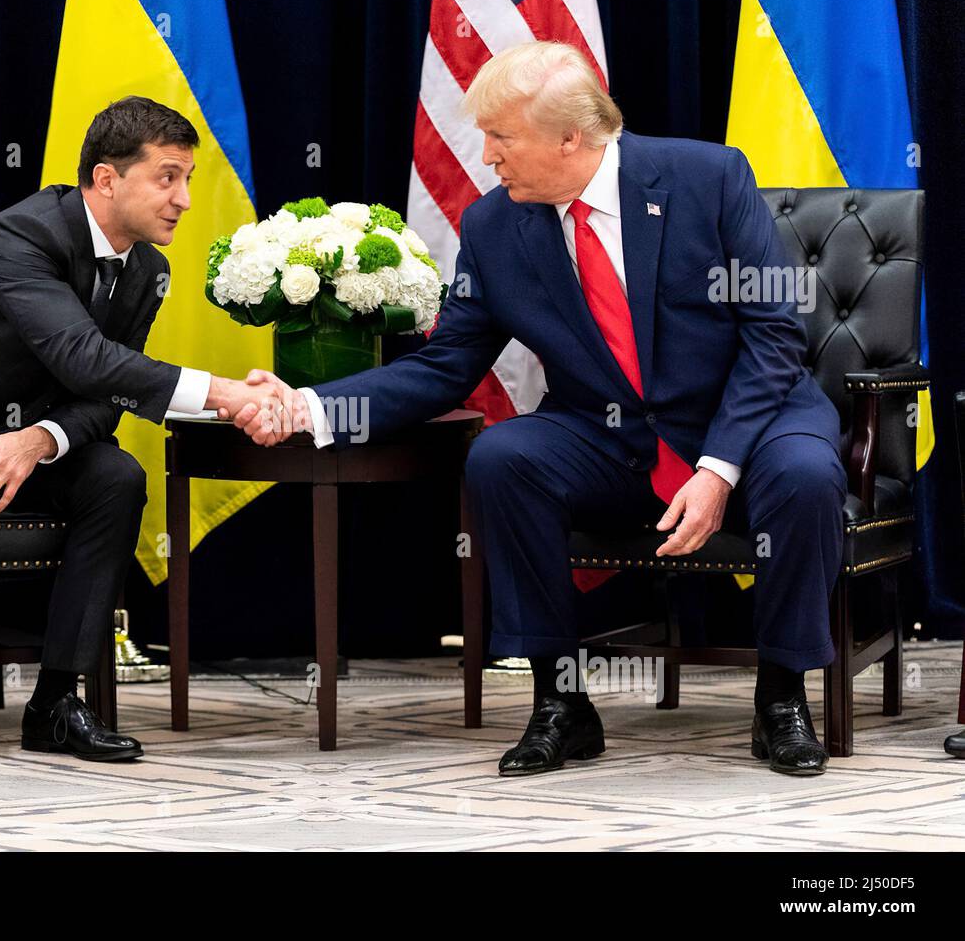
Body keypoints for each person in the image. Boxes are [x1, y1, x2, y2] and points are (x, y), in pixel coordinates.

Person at [237, 42, 845, 777]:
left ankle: (781, 695)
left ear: (570, 138)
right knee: (503, 457)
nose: (486, 155)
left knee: (807, 473)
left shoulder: (710, 177)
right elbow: (444, 366)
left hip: (750, 420)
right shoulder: (496, 226)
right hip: (609, 438)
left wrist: (718, 468)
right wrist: (306, 406)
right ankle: (561, 702)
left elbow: (773, 333)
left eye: (501, 137)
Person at [0, 96, 284, 768]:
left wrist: (39, 439)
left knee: (117, 478)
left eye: (188, 178)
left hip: (24, 438)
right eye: (167, 177)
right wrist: (225, 394)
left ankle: (56, 706)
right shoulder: (23, 236)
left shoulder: (149, 271)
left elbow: (106, 395)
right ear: (105, 179)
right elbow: (83, 358)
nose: (184, 198)